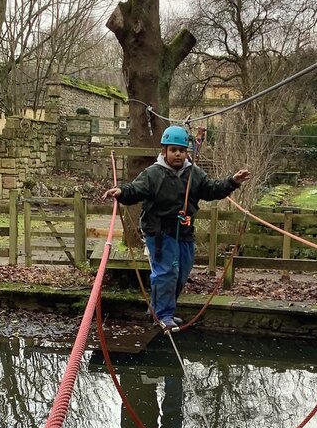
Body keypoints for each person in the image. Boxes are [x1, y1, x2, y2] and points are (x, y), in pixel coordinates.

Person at [103, 126, 251, 330]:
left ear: (186, 152)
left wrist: (233, 182)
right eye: (173, 150)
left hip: (184, 231)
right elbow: (135, 190)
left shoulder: (194, 173)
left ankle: (160, 309)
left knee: (182, 272)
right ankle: (162, 314)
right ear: (164, 151)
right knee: (166, 272)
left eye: (181, 150)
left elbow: (212, 190)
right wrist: (121, 192)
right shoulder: (153, 174)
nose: (178, 154)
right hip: (160, 232)